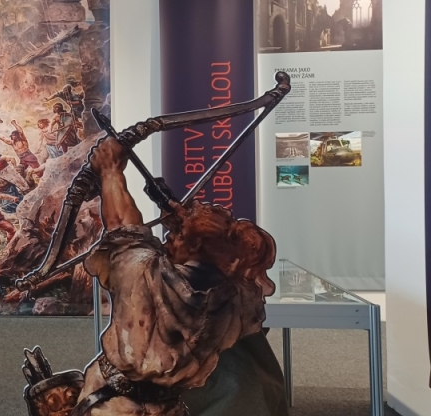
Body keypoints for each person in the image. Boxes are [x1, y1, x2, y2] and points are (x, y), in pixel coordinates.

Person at [22, 135, 284, 416]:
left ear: (196, 246)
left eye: (178, 235)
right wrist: (178, 214)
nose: (170, 236)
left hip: (121, 408)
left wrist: (110, 170)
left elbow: (125, 233)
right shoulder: (230, 286)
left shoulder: (158, 283)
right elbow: (204, 249)